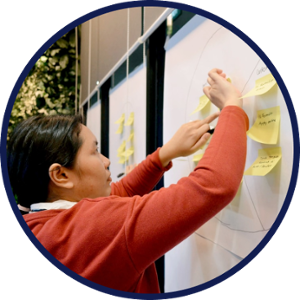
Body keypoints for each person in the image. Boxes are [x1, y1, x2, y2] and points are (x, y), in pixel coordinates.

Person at [7, 68, 249, 293]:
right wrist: (232, 107)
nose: (106, 161)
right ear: (60, 175)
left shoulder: (39, 221)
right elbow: (213, 186)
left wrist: (163, 156)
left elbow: (117, 191)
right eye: (94, 152)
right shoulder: (93, 229)